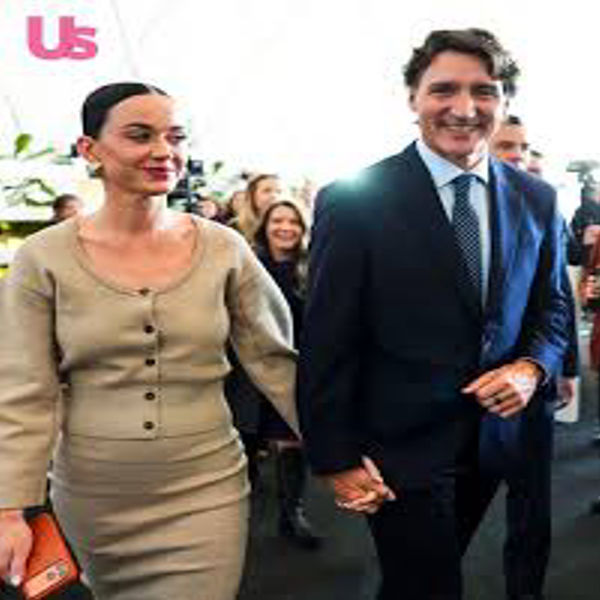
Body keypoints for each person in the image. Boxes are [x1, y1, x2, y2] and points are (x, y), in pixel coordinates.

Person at [298, 28, 569, 600]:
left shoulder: (537, 198)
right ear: (412, 98)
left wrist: (532, 369)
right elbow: (327, 337)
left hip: (497, 439)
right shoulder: (354, 200)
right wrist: (334, 457)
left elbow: (552, 308)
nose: (464, 109)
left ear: (504, 102)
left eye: (484, 91)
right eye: (444, 89)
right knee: (429, 585)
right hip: (399, 447)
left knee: (419, 582)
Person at [0, 82, 298, 600]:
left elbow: (277, 362)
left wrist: (339, 452)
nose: (164, 151)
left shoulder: (224, 248)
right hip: (93, 497)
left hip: (206, 489)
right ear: (90, 149)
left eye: (175, 137)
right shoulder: (41, 258)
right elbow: (24, 388)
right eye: (140, 135)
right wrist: (10, 507)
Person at [490, 115, 579, 598]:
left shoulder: (541, 204)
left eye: (522, 148)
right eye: (507, 145)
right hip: (464, 394)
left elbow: (557, 296)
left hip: (533, 386)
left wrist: (561, 369)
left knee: (531, 511)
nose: (517, 156)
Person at [251, 198, 321, 549]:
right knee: (246, 443)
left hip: (296, 366)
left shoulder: (313, 267)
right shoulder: (250, 265)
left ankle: (292, 514)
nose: (285, 228)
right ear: (265, 226)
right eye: (277, 220)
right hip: (249, 369)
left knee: (291, 441)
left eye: (293, 222)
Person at [236, 174, 283, 242]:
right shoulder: (236, 227)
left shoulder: (287, 227)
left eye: (279, 192)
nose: (274, 195)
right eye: (266, 191)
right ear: (252, 196)